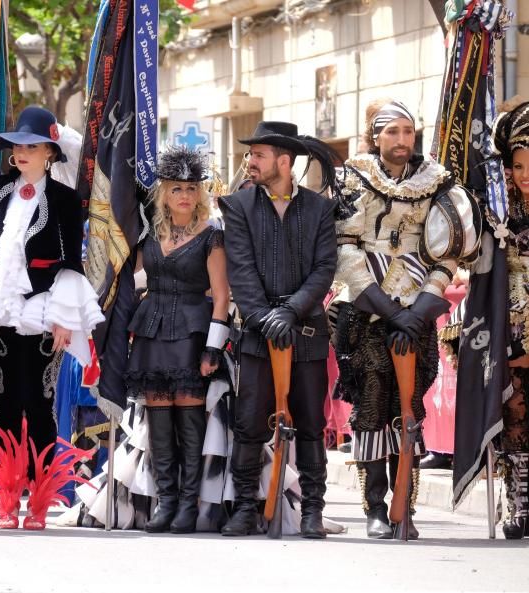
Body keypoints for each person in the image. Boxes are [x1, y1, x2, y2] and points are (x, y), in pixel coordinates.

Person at [332, 100, 480, 540]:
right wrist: (388, 307)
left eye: (408, 132)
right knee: (372, 403)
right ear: (375, 135)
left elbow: (448, 250)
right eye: (392, 132)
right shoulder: (354, 177)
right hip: (366, 307)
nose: (401, 141)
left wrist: (421, 307)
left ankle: (405, 506)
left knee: (409, 407)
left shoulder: (437, 182)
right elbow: (344, 248)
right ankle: (376, 505)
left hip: (416, 309)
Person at [218, 121, 339, 539]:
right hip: (256, 335)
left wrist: (290, 311)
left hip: (306, 334)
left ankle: (312, 511)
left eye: (259, 155)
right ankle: (245, 509)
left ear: (283, 161)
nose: (250, 161)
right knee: (249, 423)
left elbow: (325, 269)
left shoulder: (320, 209)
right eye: (251, 154)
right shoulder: (237, 206)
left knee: (309, 423)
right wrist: (265, 318)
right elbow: (241, 270)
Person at [0, 106, 103, 528]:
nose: (21, 153)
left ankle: (38, 498)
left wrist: (63, 316)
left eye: (31, 146)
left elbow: (73, 260)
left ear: (49, 153)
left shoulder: (66, 200)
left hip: (43, 309)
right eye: (18, 146)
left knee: (39, 405)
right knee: (4, 405)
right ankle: (5, 496)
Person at [124, 145, 229, 534]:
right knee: (159, 421)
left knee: (189, 423)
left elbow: (221, 296)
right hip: (151, 330)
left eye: (190, 188)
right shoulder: (148, 233)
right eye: (176, 188)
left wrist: (213, 348)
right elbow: (129, 277)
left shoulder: (211, 235)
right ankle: (165, 503)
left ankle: (188, 504)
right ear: (164, 193)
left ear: (199, 193)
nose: (184, 195)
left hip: (192, 333)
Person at [469, 100, 529, 538]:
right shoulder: (498, 211)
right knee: (514, 412)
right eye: (518, 165)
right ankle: (519, 499)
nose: (525, 174)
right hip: (512, 326)